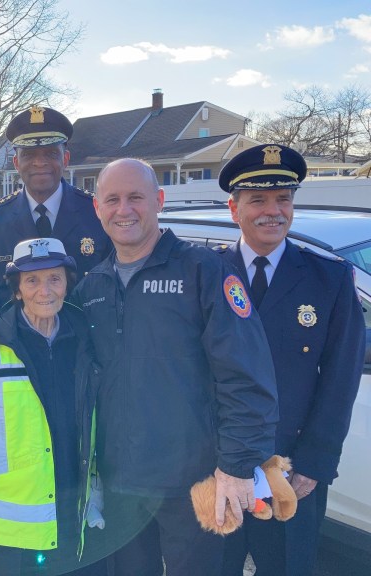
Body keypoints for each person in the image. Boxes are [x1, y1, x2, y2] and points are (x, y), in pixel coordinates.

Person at [71, 158, 279, 576]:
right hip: (120, 483)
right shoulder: (91, 287)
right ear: (98, 209)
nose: (123, 209)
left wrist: (237, 467)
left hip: (194, 482)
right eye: (112, 199)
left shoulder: (204, 271)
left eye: (136, 197)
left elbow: (246, 377)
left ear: (159, 201)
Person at [215, 144, 366, 576]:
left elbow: (340, 381)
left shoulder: (330, 278)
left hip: (292, 465)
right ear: (234, 208)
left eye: (283, 199)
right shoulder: (207, 273)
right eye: (258, 200)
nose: (273, 211)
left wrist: (316, 463)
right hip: (218, 462)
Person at [0, 237, 106, 576]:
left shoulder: (87, 343)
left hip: (77, 518)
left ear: (67, 285)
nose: (45, 290)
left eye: (54, 278)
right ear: (17, 290)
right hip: (11, 534)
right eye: (32, 280)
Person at [0, 105, 112, 302]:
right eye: (29, 155)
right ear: (16, 163)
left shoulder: (97, 213)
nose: (39, 163)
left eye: (50, 153)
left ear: (65, 158)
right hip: (16, 333)